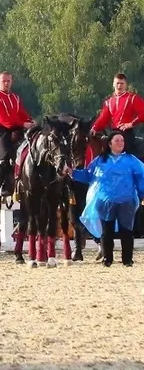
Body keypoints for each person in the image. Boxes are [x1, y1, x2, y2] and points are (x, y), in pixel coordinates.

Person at [70, 130, 144, 267]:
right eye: (117, 140)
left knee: (126, 231)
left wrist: (142, 194)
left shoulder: (131, 160)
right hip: (104, 201)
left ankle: (127, 260)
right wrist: (71, 173)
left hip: (126, 200)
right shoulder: (100, 160)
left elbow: (141, 177)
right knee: (106, 231)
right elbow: (87, 175)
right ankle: (107, 259)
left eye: (122, 140)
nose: (120, 143)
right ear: (110, 144)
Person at [0, 71, 33, 201]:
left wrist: (31, 121)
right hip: (2, 129)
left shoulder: (16, 98)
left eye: (8, 81)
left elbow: (22, 113)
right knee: (7, 153)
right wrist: (23, 124)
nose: (7, 83)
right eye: (4, 81)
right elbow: (4, 120)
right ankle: (0, 185)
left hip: (17, 127)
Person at [90, 72, 144, 158]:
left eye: (122, 83)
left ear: (126, 85)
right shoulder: (109, 101)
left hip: (126, 133)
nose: (119, 86)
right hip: (113, 132)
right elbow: (103, 118)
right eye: (117, 83)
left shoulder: (132, 98)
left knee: (122, 153)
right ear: (113, 84)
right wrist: (95, 128)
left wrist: (130, 124)